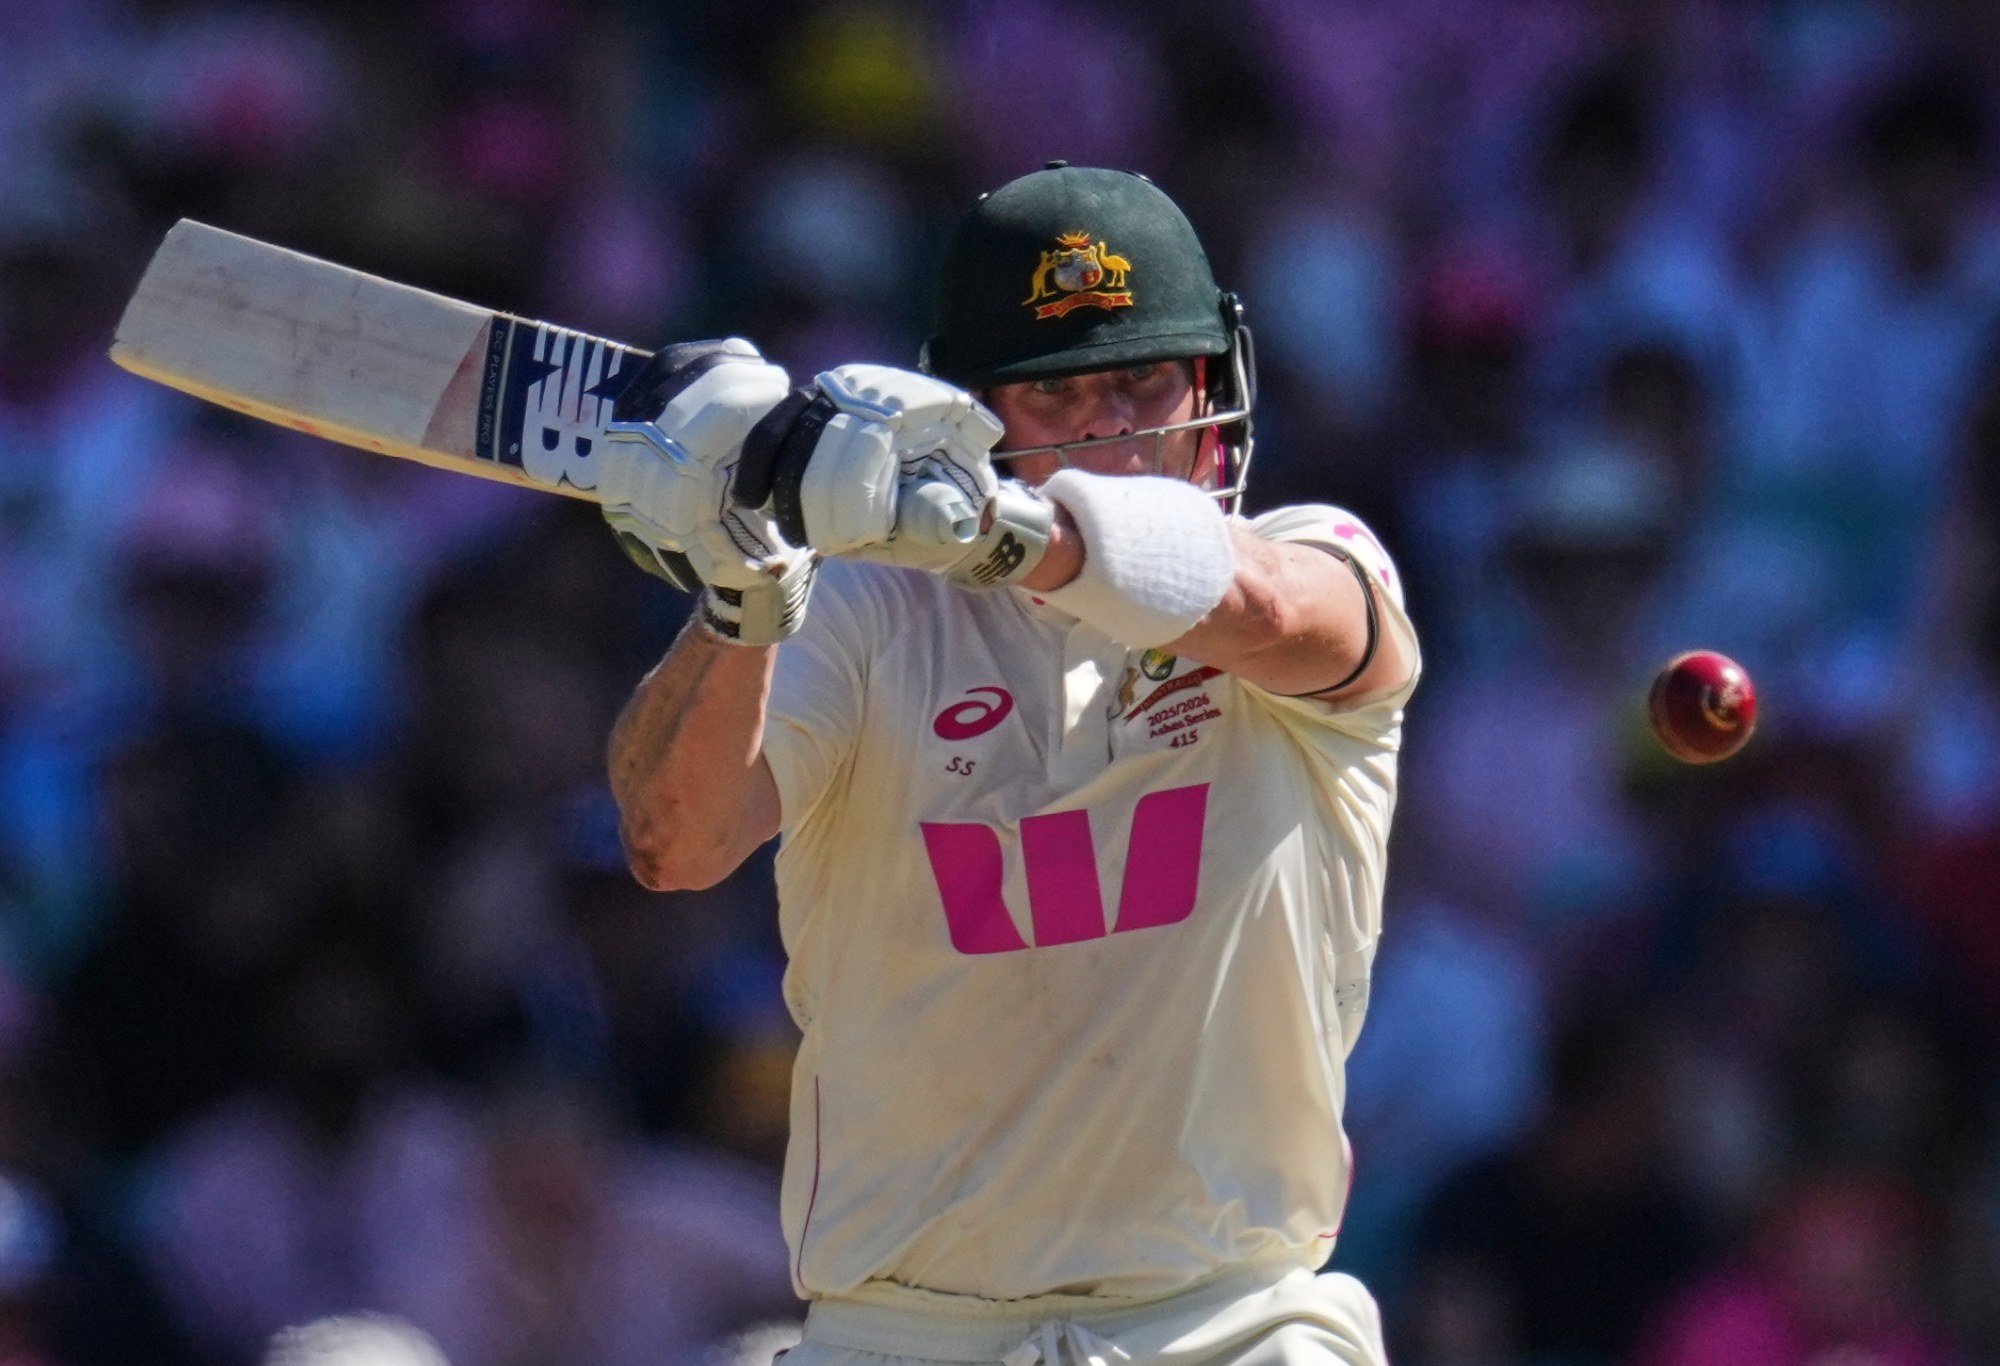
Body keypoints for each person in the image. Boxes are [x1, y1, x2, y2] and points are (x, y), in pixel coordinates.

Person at [595, 163, 1420, 1366]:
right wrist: (743, 588)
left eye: (1143, 382)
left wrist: (999, 528)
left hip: (1231, 1318)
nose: (1109, 435)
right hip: (905, 1330)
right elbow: (675, 841)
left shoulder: (1313, 557)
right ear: (972, 413)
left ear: (1212, 383)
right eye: (1056, 397)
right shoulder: (864, 613)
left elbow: (1284, 614)